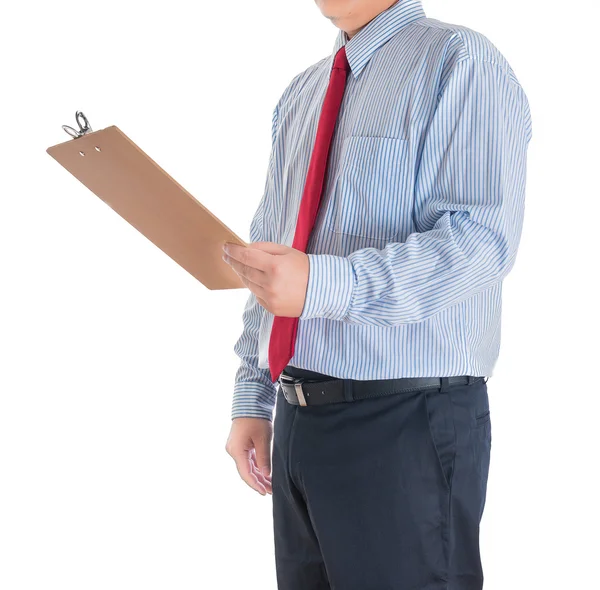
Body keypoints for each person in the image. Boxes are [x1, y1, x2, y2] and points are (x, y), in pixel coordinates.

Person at [222, 0, 532, 587]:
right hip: (296, 422)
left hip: (404, 422)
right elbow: (273, 245)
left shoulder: (459, 61)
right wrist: (252, 394)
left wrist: (323, 285)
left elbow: (480, 242)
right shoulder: (302, 92)